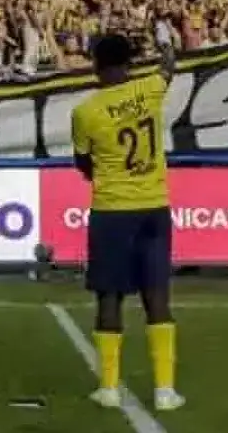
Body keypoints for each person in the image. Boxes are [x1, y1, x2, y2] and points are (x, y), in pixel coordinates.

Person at [69, 21, 185, 412]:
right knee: (157, 296)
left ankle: (109, 387)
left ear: (95, 66)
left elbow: (83, 164)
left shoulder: (85, 111)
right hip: (154, 206)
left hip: (112, 210)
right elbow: (169, 65)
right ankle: (165, 390)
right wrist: (164, 39)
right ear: (130, 63)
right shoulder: (150, 88)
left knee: (109, 295)